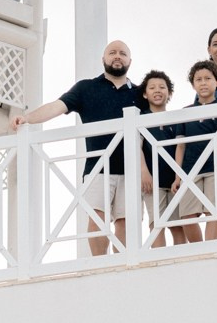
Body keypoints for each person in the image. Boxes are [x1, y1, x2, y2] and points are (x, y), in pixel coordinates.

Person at [9, 40, 142, 254]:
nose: (117, 56)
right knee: (97, 218)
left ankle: (122, 266)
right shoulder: (86, 88)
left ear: (130, 61)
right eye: (112, 52)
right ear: (103, 59)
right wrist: (27, 118)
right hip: (98, 167)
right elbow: (56, 106)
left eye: (122, 53)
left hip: (131, 169)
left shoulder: (140, 93)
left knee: (125, 222)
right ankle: (100, 266)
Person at [167, 60, 217, 241]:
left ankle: (210, 250)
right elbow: (180, 146)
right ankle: (199, 251)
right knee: (187, 216)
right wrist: (178, 176)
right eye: (198, 79)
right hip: (190, 170)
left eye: (208, 78)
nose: (203, 83)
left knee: (214, 212)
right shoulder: (185, 112)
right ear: (193, 85)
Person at [132, 70, 192, 246]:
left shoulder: (175, 119)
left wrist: (179, 177)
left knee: (178, 225)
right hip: (152, 181)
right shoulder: (141, 118)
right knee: (156, 224)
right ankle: (159, 259)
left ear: (169, 93)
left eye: (162, 87)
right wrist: (144, 172)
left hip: (174, 181)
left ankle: (180, 259)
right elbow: (136, 147)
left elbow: (181, 148)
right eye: (152, 88)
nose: (157, 90)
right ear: (145, 94)